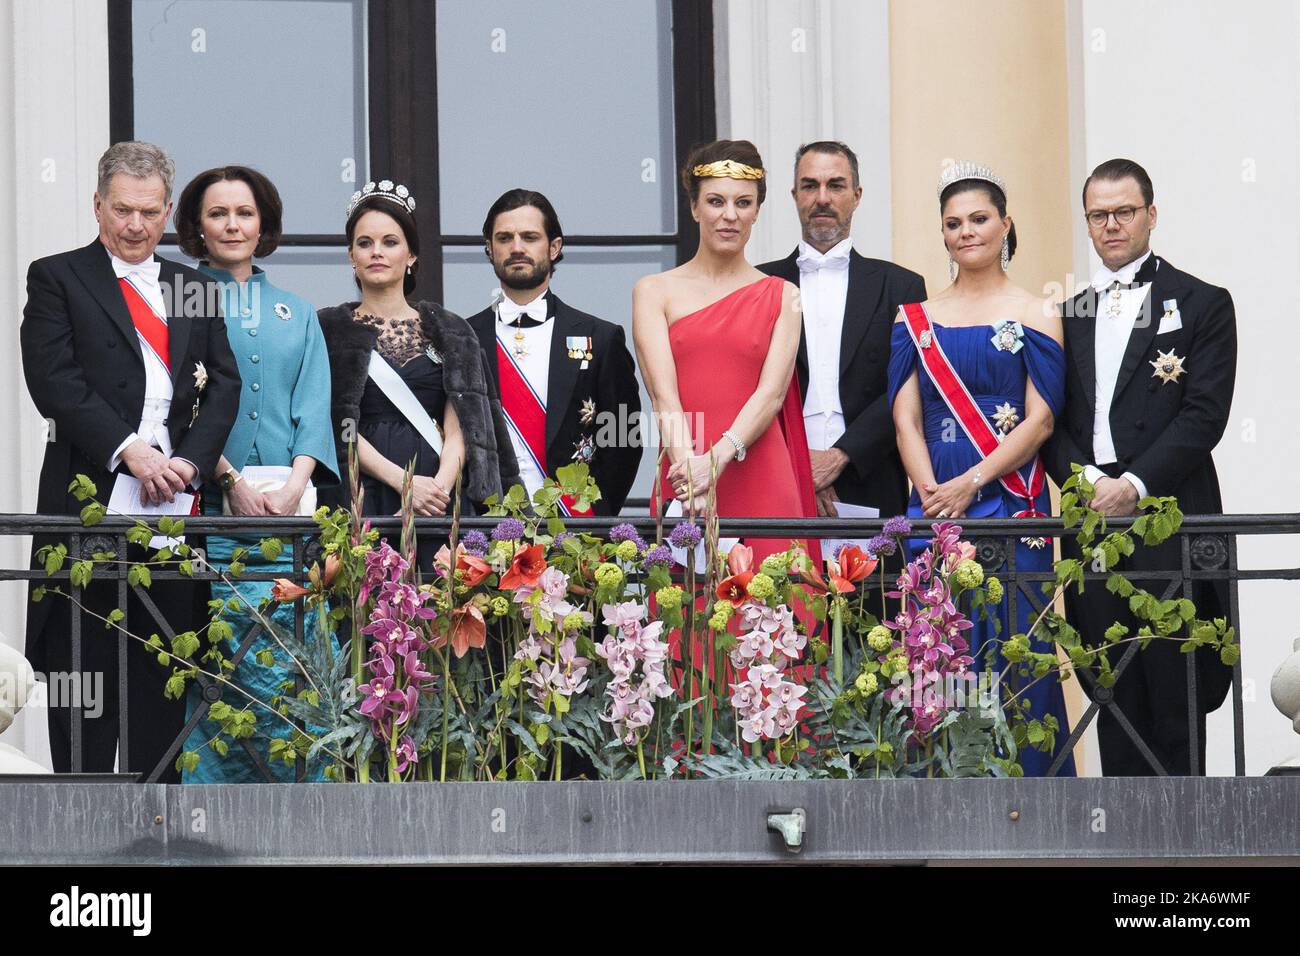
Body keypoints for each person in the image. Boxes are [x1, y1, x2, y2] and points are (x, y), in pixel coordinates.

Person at [20, 141, 241, 780]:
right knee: (82, 681)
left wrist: (190, 465)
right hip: (85, 506)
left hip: (174, 512)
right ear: (97, 206)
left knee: (163, 679)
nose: (136, 226)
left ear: (169, 210)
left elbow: (224, 384)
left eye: (149, 212)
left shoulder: (193, 287)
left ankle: (158, 832)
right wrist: (131, 451)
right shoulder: (57, 276)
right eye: (122, 211)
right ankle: (84, 837)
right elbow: (54, 381)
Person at [1044, 158, 1235, 776]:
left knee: (1176, 701)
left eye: (1124, 212)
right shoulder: (1067, 314)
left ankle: (1185, 858)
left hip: (1169, 527)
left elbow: (1203, 417)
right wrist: (1092, 482)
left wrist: (1134, 485)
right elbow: (1049, 423)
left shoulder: (1204, 303)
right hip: (1092, 524)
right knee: (1111, 696)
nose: (1111, 225)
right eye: (1098, 215)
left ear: (1152, 214)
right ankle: (1120, 852)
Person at [887, 162, 1074, 777]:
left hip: (1010, 500)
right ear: (942, 236)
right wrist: (931, 495)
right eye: (952, 223)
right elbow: (906, 420)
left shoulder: (1037, 309)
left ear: (1005, 223)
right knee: (938, 660)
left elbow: (1041, 421)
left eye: (979, 219)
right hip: (935, 506)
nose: (966, 232)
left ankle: (1034, 810)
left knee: (1018, 651)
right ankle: (938, 803)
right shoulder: (914, 318)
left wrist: (971, 484)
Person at [171, 165, 339, 782]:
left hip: (291, 516)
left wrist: (296, 484)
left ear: (263, 222)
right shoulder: (178, 299)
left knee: (297, 661)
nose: (232, 225)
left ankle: (305, 810)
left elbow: (314, 405)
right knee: (228, 666)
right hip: (215, 512)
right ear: (196, 225)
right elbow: (180, 404)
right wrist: (227, 479)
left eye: (244, 213)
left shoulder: (297, 310)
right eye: (218, 214)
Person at [633, 140, 818, 566]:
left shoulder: (784, 295)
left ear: (757, 211)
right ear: (695, 208)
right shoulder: (653, 292)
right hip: (684, 468)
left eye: (743, 203)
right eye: (716, 201)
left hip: (759, 471)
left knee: (774, 615)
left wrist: (714, 461)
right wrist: (690, 476)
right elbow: (664, 397)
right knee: (692, 620)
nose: (729, 215)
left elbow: (771, 396)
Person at [319, 180, 519, 569]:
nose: (377, 252)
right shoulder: (327, 328)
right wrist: (404, 484)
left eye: (390, 242)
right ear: (350, 256)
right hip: (367, 493)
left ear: (411, 255)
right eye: (365, 243)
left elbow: (466, 419)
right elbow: (333, 423)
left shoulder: (451, 329)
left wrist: (439, 486)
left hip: (440, 501)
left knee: (441, 615)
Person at [759, 141, 926, 522]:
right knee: (776, 582)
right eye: (809, 186)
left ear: (857, 194)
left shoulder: (900, 286)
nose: (822, 198)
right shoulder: (759, 283)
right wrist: (800, 465)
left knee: (874, 584)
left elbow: (906, 387)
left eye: (835, 185)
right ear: (793, 195)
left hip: (870, 475)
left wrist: (840, 455)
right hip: (776, 475)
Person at [464, 189, 642, 516]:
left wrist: (591, 520)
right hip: (485, 534)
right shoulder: (463, 338)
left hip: (574, 538)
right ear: (489, 249)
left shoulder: (600, 338)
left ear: (554, 247)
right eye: (505, 238)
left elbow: (624, 439)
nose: (517, 247)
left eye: (529, 237)